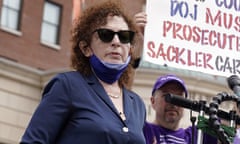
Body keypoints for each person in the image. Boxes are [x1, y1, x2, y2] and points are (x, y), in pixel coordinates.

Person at [20, 1, 146, 144]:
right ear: (86, 48)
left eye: (124, 36)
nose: (116, 42)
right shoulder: (67, 86)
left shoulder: (137, 104)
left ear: (130, 47)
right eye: (106, 34)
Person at [143, 74, 218, 144]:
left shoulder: (194, 136)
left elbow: (225, 125)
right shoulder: (144, 131)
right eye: (166, 96)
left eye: (179, 98)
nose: (173, 104)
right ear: (153, 101)